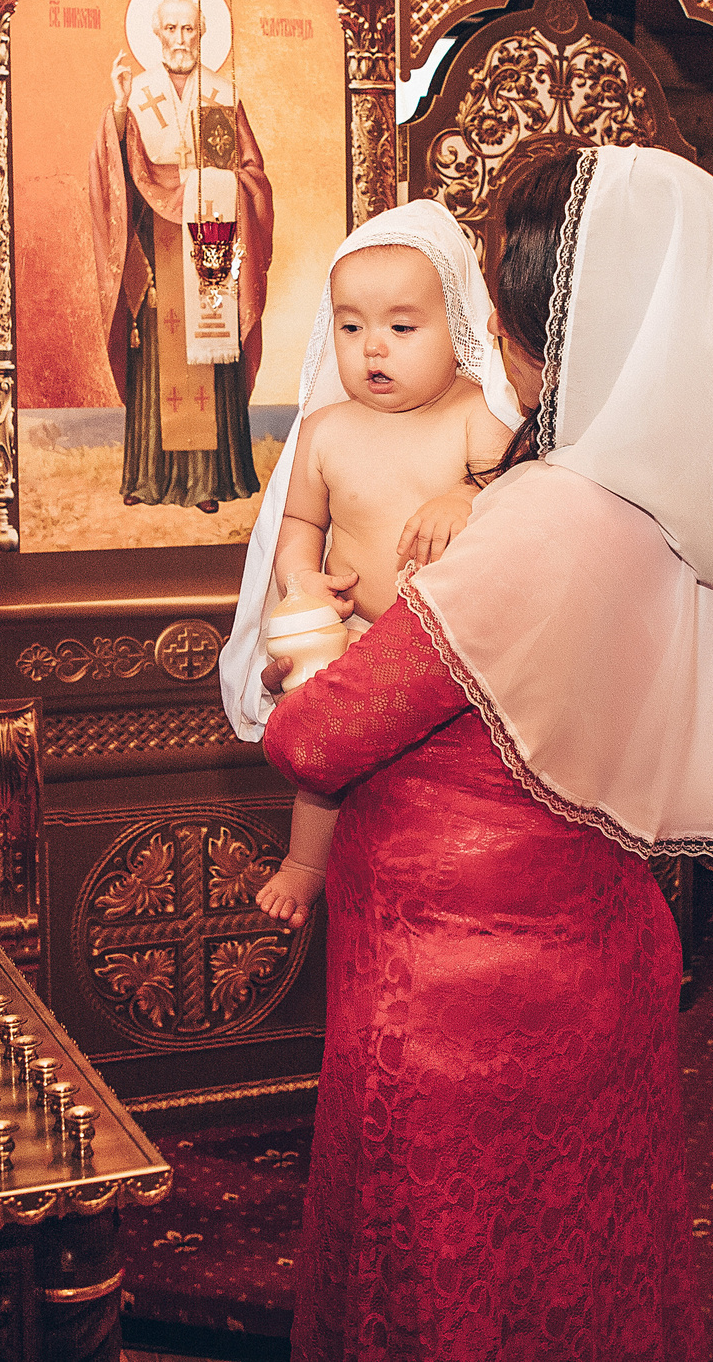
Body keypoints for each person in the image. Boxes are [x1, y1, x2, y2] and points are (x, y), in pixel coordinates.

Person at [256, 141, 713, 1360]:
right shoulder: (677, 510)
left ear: (544, 325)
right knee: (580, 1282)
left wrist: (306, 652)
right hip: (597, 958)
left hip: (465, 996)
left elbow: (317, 735)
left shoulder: (543, 518)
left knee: (463, 1293)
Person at [220, 202, 521, 928]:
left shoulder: (477, 415)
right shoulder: (326, 431)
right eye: (350, 327)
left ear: (459, 326)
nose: (372, 348)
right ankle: (305, 863)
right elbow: (302, 524)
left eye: (401, 328)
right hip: (354, 631)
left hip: (445, 646)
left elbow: (516, 505)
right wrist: (301, 581)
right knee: (322, 738)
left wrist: (464, 497)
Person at [90, 0, 275, 511]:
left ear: (203, 33)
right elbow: (115, 174)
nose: (180, 38)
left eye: (189, 28)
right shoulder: (139, 94)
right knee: (158, 349)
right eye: (170, 28)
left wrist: (225, 185)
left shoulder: (223, 94)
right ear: (155, 35)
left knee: (210, 354)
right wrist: (119, 108)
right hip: (159, 248)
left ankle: (209, 481)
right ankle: (152, 478)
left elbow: (254, 174)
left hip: (211, 243)